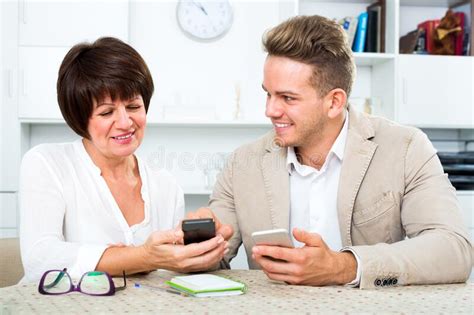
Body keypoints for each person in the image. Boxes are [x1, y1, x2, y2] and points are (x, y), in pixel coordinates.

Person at [188, 15, 472, 288]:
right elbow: (213, 260)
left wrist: (343, 266)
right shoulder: (242, 163)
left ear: (334, 102)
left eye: (287, 98)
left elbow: (453, 249)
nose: (270, 110)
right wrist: (199, 245)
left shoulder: (406, 148)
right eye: (268, 93)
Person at [19, 37, 229, 282]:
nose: (125, 123)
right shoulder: (47, 164)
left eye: (133, 106)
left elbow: (170, 270)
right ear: (79, 118)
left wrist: (199, 252)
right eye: (107, 112)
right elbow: (40, 258)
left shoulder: (165, 185)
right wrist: (143, 257)